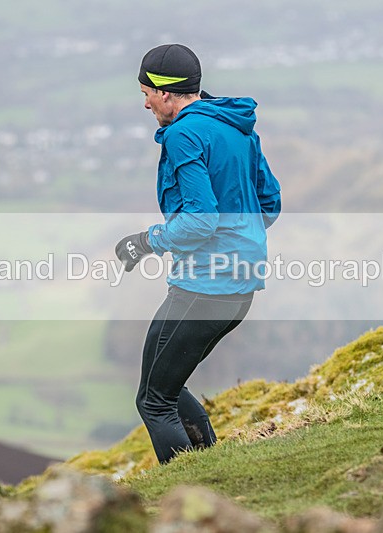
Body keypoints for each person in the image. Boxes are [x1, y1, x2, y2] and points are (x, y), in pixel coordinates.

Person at [114, 43, 281, 464]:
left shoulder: (184, 133)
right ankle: (212, 470)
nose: (146, 103)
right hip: (236, 287)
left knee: (155, 401)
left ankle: (191, 490)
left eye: (145, 93)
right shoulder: (236, 126)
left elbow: (200, 221)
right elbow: (270, 205)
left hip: (205, 287)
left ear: (165, 92)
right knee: (161, 387)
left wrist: (144, 242)